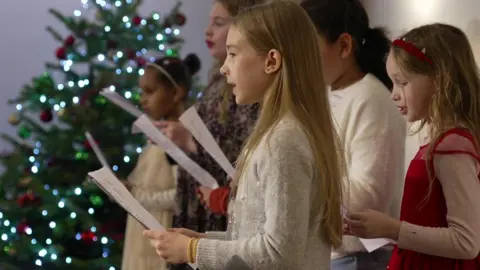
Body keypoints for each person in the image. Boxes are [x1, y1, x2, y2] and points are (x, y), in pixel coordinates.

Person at [143, 1, 345, 269]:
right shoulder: (278, 133)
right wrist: (202, 240)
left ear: (272, 61)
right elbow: (258, 235)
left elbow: (279, 253)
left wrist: (193, 249)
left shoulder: (284, 141)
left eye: (234, 54)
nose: (225, 68)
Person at [345, 23, 480, 269]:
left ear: (440, 81)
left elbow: (466, 241)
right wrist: (380, 227)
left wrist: (393, 228)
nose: (393, 94)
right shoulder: (442, 143)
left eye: (402, 82)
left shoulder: (452, 147)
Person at [153, 1, 263, 269]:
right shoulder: (217, 80)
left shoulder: (249, 88)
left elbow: (243, 151)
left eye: (219, 23)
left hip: (220, 207)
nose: (207, 31)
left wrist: (189, 141)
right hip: (199, 203)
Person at [300, 0, 405, 269]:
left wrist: (298, 184)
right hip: (328, 253)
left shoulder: (370, 99)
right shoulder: (328, 92)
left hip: (359, 256)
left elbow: (366, 197)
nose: (298, 57)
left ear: (344, 46)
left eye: (306, 46)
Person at [121, 54, 200, 270]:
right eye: (141, 92)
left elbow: (183, 193)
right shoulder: (156, 136)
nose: (142, 99)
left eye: (150, 91)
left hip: (163, 234)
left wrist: (135, 197)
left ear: (176, 93)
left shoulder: (181, 140)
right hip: (141, 234)